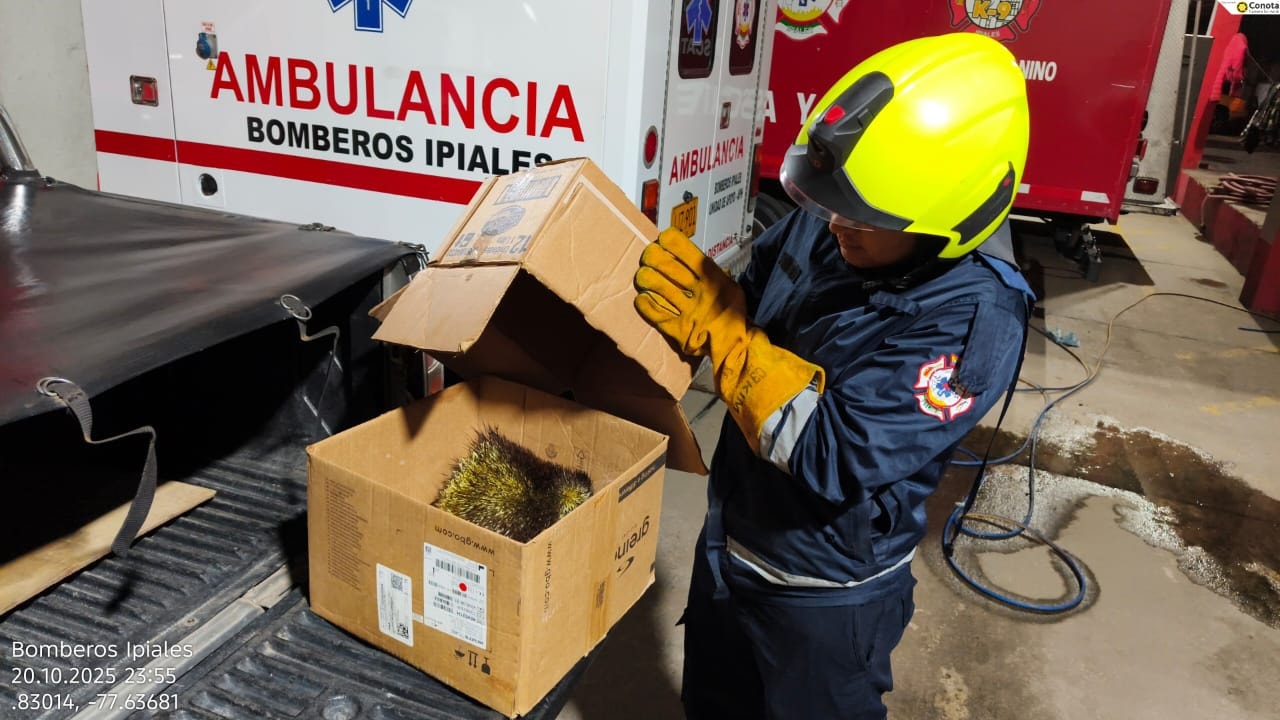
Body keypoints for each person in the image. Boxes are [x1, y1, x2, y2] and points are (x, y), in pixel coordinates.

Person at [632, 33, 1035, 719]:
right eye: (832, 200)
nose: (837, 223)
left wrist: (726, 335)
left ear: (951, 217)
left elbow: (835, 451)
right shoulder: (845, 216)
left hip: (821, 592)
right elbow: (758, 291)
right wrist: (714, 301)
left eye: (863, 214)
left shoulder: (974, 321)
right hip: (731, 540)